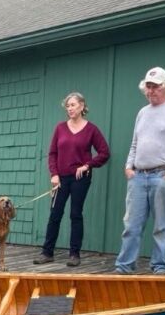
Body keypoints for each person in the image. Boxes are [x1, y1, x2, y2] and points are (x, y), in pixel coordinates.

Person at [114, 67, 165, 275]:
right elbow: (135, 143)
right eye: (148, 87)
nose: (151, 91)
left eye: (155, 86)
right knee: (131, 225)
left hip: (162, 176)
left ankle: (160, 266)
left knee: (162, 226)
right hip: (138, 177)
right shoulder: (142, 112)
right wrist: (128, 167)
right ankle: (124, 266)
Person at [34, 92, 110, 267]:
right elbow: (52, 153)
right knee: (55, 214)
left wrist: (88, 165)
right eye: (67, 106)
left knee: (76, 214)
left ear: (82, 106)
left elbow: (105, 153)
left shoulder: (91, 129)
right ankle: (47, 252)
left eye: (73, 105)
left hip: (80, 178)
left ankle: (74, 254)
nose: (70, 109)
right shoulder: (60, 128)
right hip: (60, 178)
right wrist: (54, 174)